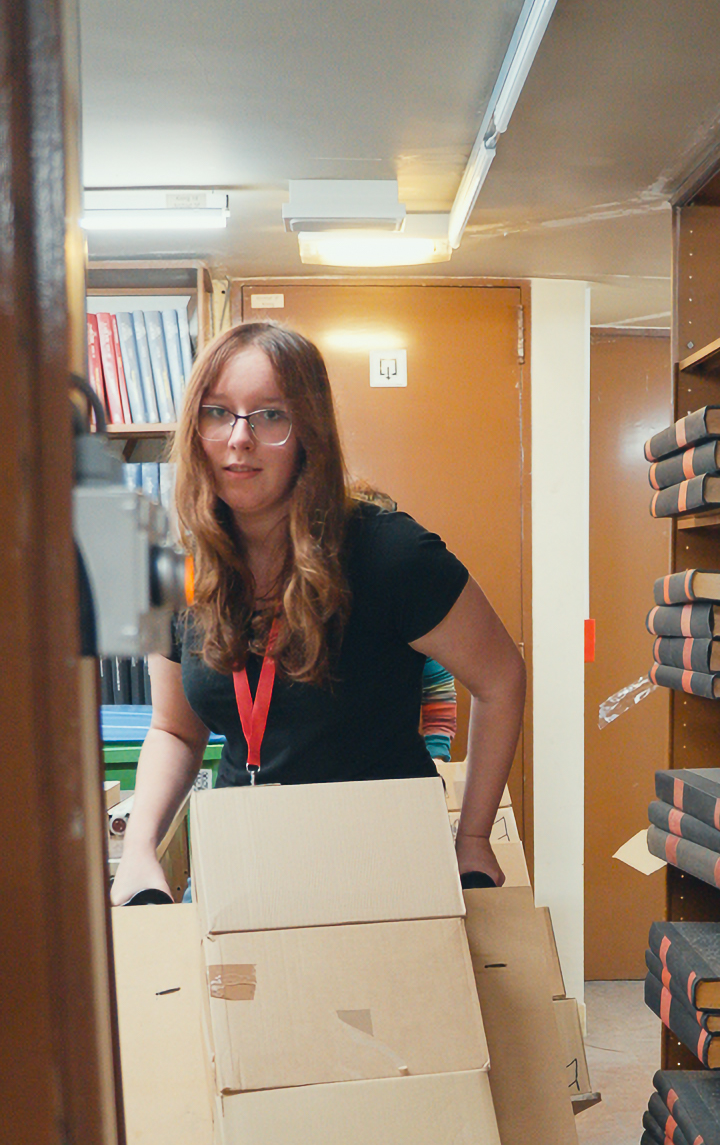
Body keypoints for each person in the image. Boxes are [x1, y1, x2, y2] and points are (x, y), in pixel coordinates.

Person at [110, 319, 523, 902]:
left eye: (270, 415)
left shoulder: (391, 553)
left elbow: (501, 678)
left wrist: (474, 836)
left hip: (386, 864)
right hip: (245, 858)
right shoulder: (174, 577)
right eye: (218, 412)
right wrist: (139, 849)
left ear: (310, 430)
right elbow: (175, 730)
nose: (239, 438)